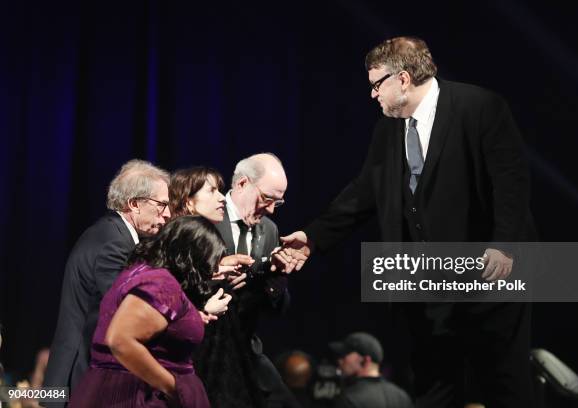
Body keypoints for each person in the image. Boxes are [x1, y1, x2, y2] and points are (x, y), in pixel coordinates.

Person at [281, 36, 537, 408]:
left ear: (402, 79)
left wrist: (504, 245)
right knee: (433, 387)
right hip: (428, 286)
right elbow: (364, 192)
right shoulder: (388, 129)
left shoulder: (479, 106)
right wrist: (313, 236)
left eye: (375, 85)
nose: (372, 95)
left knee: (503, 385)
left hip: (489, 279)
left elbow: (511, 182)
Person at [68, 215, 231, 407]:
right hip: (139, 396)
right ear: (192, 255)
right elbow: (121, 340)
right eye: (209, 262)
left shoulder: (143, 271)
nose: (210, 270)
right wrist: (172, 388)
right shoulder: (161, 283)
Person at [44, 159, 172, 397]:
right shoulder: (113, 243)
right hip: (82, 373)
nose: (168, 214)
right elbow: (123, 309)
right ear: (134, 203)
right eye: (161, 205)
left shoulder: (112, 233)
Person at [189, 154, 297, 408]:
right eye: (267, 198)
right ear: (242, 184)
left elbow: (276, 309)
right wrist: (217, 283)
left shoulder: (269, 230)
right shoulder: (203, 220)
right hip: (202, 349)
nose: (271, 208)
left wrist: (275, 282)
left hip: (245, 348)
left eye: (278, 202)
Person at [329, 332, 413, 408]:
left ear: (365, 360)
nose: (340, 360)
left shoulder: (349, 399)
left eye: (345, 355)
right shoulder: (401, 397)